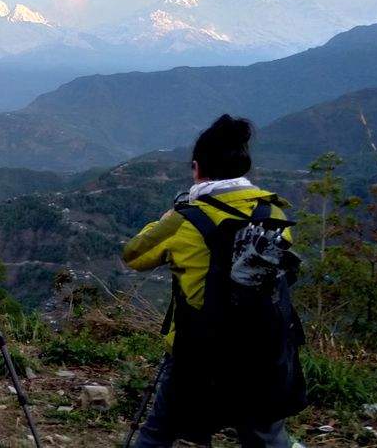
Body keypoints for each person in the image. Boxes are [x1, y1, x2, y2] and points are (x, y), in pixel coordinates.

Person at [122, 114, 304, 448]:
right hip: (264, 350)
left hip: (197, 352)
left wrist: (168, 217)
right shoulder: (274, 214)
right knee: (265, 435)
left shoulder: (185, 220)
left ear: (196, 168)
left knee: (157, 433)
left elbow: (134, 255)